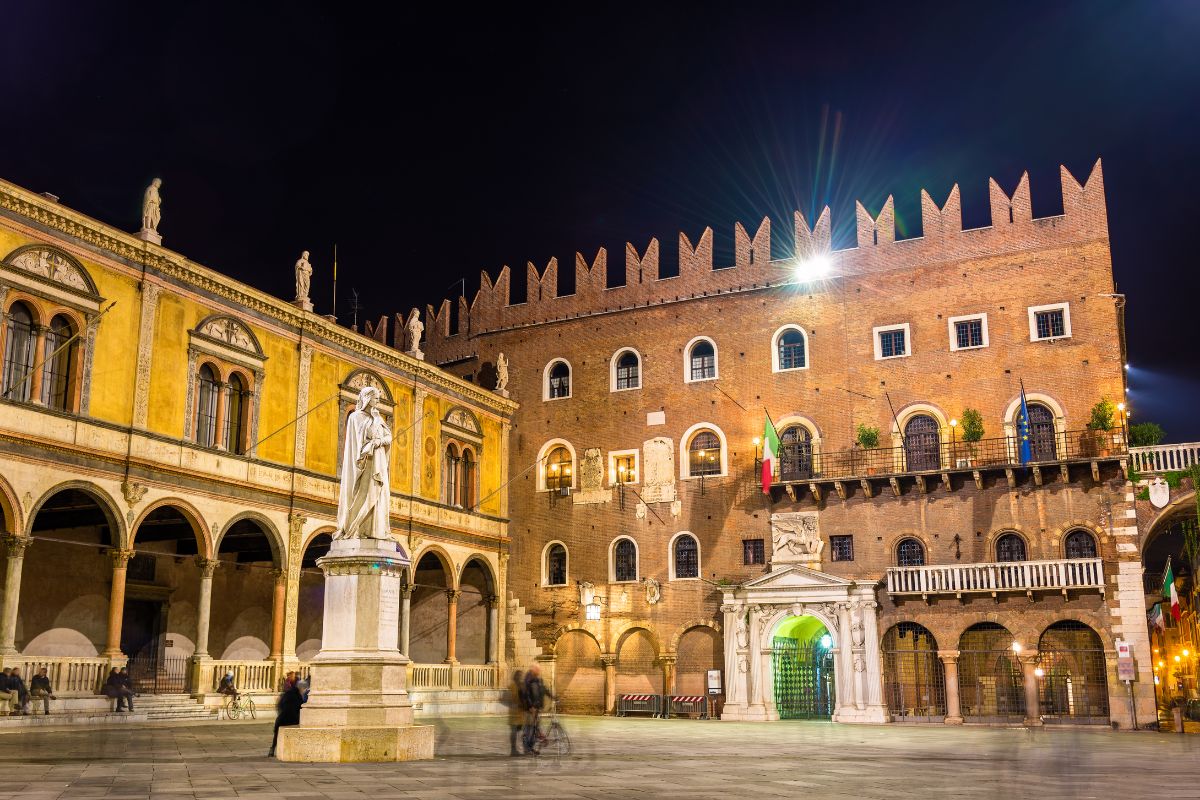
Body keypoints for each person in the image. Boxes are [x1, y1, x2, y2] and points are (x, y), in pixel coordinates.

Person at [268, 678, 307, 758]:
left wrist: (281, 713)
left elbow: (279, 705)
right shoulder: (297, 696)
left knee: (276, 735)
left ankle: (272, 749)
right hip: (292, 719)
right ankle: (291, 751)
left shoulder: (285, 694)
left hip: (281, 718)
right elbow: (300, 707)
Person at [521, 664, 554, 755]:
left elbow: (544, 690)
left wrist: (553, 697)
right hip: (530, 709)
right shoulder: (528, 680)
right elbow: (526, 694)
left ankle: (533, 745)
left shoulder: (538, 680)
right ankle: (528, 749)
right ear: (533, 670)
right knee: (530, 729)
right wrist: (530, 706)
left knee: (535, 728)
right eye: (537, 670)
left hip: (537, 708)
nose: (539, 671)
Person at [507, 670, 526, 756]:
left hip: (519, 713)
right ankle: (513, 749)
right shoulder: (513, 686)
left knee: (519, 731)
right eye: (520, 676)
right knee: (515, 731)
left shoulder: (520, 686)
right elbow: (514, 699)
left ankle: (517, 749)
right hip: (515, 713)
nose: (521, 678)